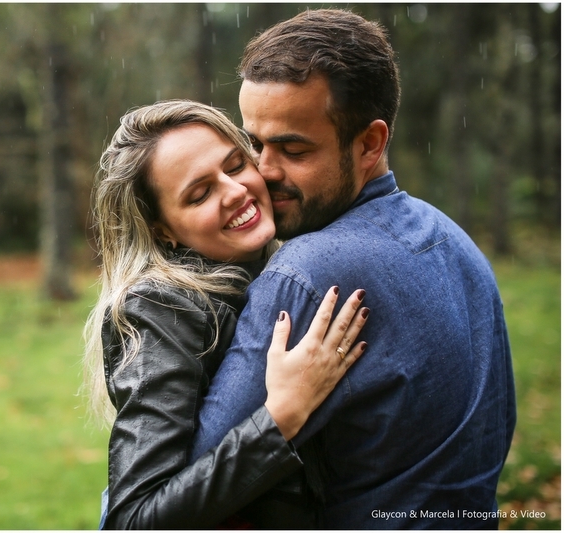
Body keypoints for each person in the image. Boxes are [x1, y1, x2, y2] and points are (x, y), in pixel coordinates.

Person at [191, 9, 516, 529]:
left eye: (294, 149)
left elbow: (186, 493)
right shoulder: (453, 242)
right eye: (254, 143)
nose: (264, 171)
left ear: (369, 143)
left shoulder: (307, 274)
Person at [83, 100, 371, 529]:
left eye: (236, 166)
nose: (235, 191)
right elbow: (135, 518)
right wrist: (281, 417)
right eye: (199, 194)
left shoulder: (273, 269)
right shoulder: (162, 308)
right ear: (162, 229)